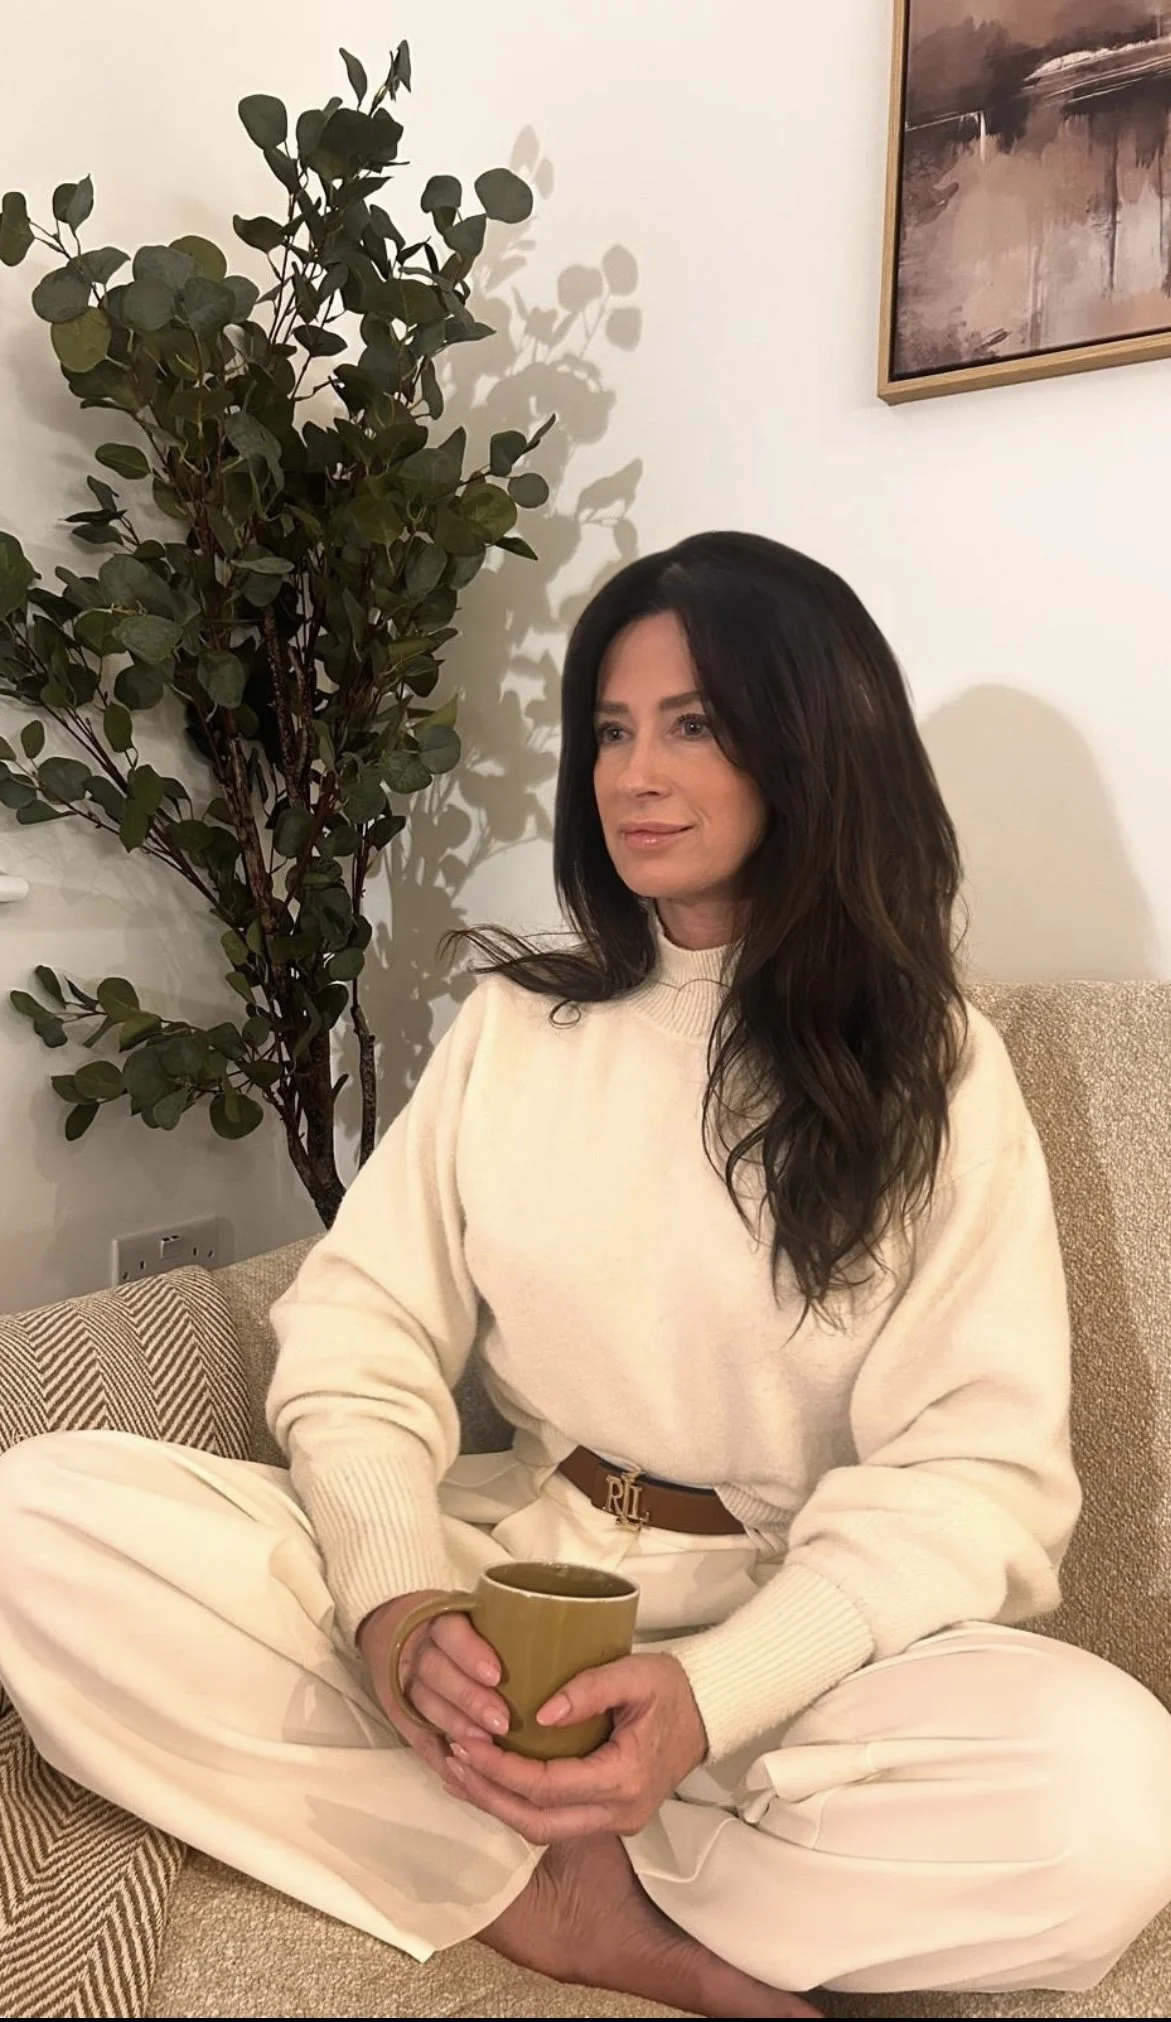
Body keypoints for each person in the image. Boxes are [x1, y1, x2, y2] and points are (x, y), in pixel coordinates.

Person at [2, 532, 1171, 2020]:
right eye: (611, 729)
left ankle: (522, 1848)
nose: (632, 773)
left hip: (779, 1656)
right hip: (511, 1587)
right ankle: (554, 1887)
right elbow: (357, 1333)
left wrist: (710, 1698)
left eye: (691, 723)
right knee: (38, 1518)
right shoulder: (514, 1028)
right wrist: (396, 1608)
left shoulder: (934, 1068)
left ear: (812, 743)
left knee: (1104, 1789)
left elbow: (974, 1475)